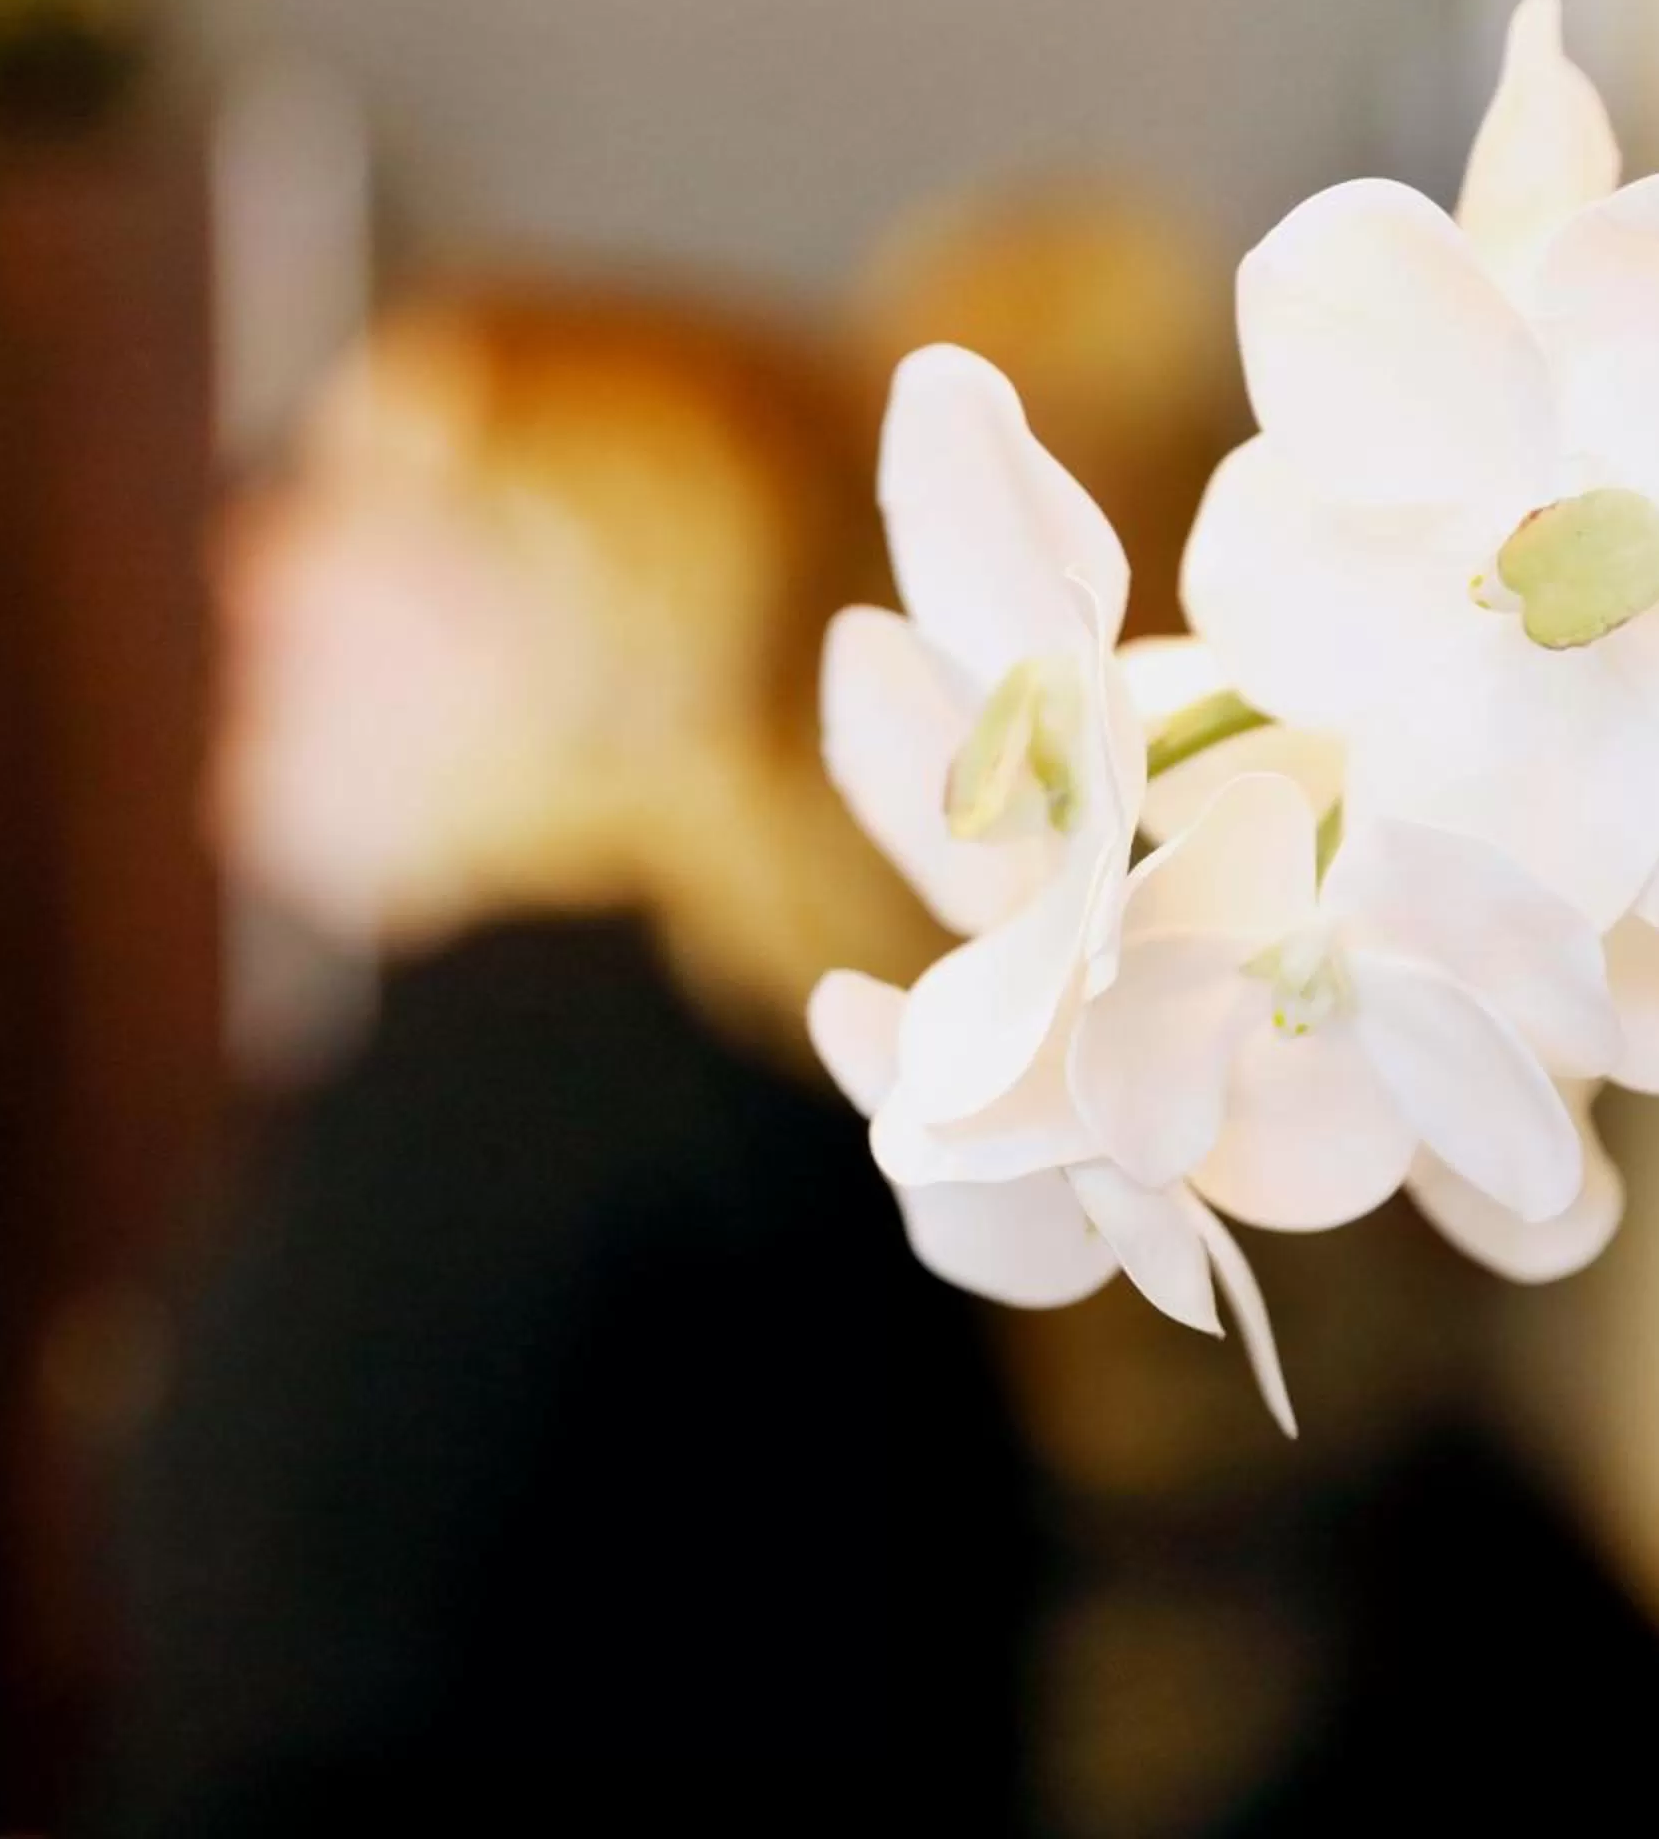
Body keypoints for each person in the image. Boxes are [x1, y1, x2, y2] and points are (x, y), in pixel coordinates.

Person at [95, 284, 1040, 1831]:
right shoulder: (751, 1081)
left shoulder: (503, 1108)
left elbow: (275, 1763)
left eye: (357, 489)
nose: (249, 558)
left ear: (613, 603)